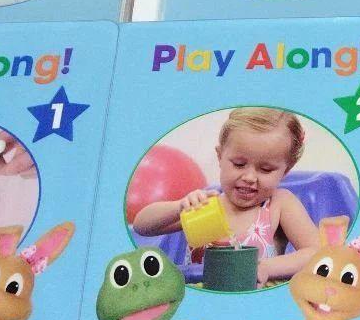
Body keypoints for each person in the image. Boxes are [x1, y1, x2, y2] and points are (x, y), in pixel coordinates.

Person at [133, 108, 321, 287]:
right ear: (220, 156)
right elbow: (142, 226)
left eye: (265, 169)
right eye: (239, 164)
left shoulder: (278, 205)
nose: (249, 177)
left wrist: (267, 267)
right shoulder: (206, 206)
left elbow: (317, 253)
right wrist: (179, 207)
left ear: (285, 171)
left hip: (253, 299)